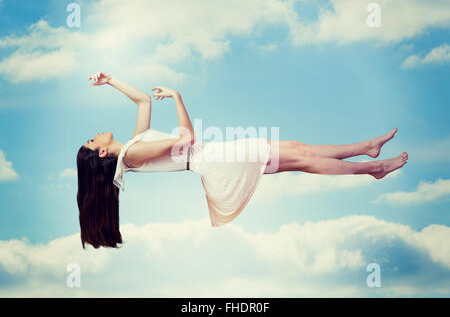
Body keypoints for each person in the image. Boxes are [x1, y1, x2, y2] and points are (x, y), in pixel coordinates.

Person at [76, 72, 408, 249]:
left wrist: (110, 81)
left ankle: (367, 148)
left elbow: (143, 101)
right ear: (102, 153)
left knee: (298, 149)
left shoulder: (133, 145)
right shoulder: (133, 154)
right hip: (217, 158)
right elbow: (186, 141)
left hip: (217, 155)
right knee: (303, 158)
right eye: (92, 142)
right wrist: (178, 96)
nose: (95, 135)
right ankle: (375, 168)